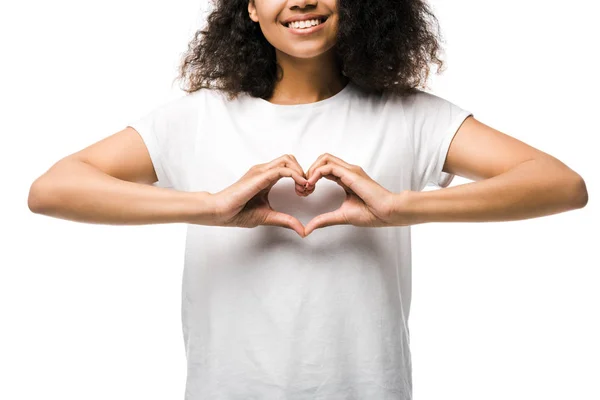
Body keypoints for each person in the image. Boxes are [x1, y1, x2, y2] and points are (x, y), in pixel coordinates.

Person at [28, 0, 588, 399]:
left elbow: (561, 184)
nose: (301, 1)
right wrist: (211, 206)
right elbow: (52, 189)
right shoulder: (197, 118)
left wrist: (401, 207)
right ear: (249, 7)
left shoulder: (411, 115)